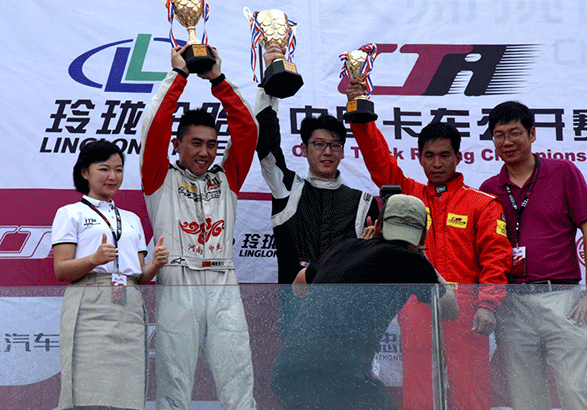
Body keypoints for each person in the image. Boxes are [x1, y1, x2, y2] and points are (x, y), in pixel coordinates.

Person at [347, 79, 512, 410]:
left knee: (471, 389)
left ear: (458, 157)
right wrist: (359, 113)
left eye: (444, 156)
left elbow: (497, 257)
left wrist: (488, 304)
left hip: (467, 308)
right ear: (419, 157)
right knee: (419, 389)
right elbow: (379, 162)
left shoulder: (482, 204)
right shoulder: (408, 195)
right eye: (430, 156)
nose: (437, 164)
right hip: (417, 305)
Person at [140, 44, 258, 410]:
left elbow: (248, 130)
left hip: (223, 282)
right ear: (177, 145)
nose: (205, 152)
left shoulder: (227, 177)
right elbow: (154, 126)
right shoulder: (159, 178)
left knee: (239, 382)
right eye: (195, 143)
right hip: (178, 282)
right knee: (173, 384)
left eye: (211, 145)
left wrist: (218, 81)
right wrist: (179, 76)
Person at [271, 194, 458, 410]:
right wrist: (423, 259)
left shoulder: (344, 247)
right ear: (423, 237)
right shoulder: (412, 260)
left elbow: (298, 287)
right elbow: (450, 309)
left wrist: (358, 250)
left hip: (287, 374)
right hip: (340, 378)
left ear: (377, 226)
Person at [479, 101, 587, 410]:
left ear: (532, 134)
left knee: (576, 390)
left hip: (561, 298)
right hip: (512, 303)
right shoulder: (489, 189)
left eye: (515, 133)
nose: (507, 141)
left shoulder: (563, 172)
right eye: (499, 135)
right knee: (526, 397)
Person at [254, 45, 379, 339]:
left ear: (343, 152)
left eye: (335, 145)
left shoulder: (364, 203)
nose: (327, 152)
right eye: (319, 144)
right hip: (295, 316)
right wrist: (269, 84)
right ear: (304, 149)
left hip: (346, 320)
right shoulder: (288, 189)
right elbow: (267, 144)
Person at [52, 140, 169, 410]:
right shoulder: (70, 213)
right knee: (87, 393)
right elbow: (61, 269)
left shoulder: (131, 218)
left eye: (119, 169)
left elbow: (140, 276)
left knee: (128, 394)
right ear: (85, 172)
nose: (112, 176)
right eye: (104, 169)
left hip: (129, 306)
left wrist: (155, 263)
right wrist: (94, 260)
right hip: (89, 305)